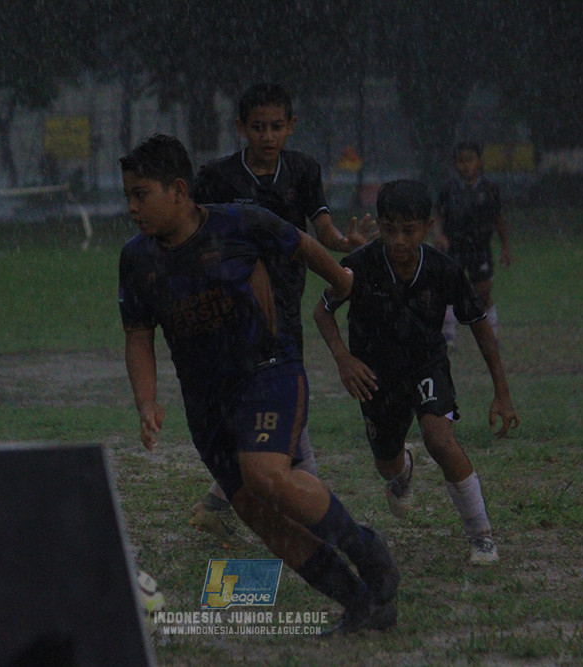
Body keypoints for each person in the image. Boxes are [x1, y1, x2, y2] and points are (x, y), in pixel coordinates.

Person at [118, 134, 399, 633]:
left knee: (266, 474)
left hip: (268, 371)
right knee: (256, 513)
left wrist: (343, 281)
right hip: (205, 402)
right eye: (128, 196)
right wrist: (146, 402)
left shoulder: (240, 222)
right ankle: (360, 603)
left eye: (141, 194)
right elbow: (138, 334)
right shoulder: (137, 258)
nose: (132, 207)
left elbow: (302, 243)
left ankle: (367, 551)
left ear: (178, 190)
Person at [188, 82, 373, 547]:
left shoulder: (303, 170)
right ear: (241, 129)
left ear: (291, 126)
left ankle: (220, 501)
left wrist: (342, 244)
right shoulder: (217, 177)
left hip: (284, 302)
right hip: (233, 305)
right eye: (257, 127)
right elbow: (195, 235)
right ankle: (309, 511)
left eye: (276, 127)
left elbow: (321, 227)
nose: (267, 136)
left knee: (277, 389)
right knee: (267, 394)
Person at [313, 179, 519, 565]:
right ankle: (402, 470)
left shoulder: (444, 271)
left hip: (426, 365)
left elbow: (480, 327)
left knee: (440, 440)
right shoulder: (359, 265)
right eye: (389, 229)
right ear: (380, 224)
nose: (398, 240)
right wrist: (343, 358)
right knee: (386, 463)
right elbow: (323, 310)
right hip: (374, 374)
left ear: (426, 228)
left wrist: (501, 392)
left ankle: (482, 536)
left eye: (409, 230)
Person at [432, 141, 513, 350]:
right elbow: (438, 216)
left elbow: (499, 219)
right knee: (449, 290)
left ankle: (491, 336)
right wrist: (439, 235)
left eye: (470, 160)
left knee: (483, 292)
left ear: (479, 162)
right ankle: (448, 337)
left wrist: (505, 247)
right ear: (455, 164)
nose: (465, 166)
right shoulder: (449, 189)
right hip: (455, 246)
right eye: (460, 161)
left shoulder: (489, 189)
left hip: (480, 248)